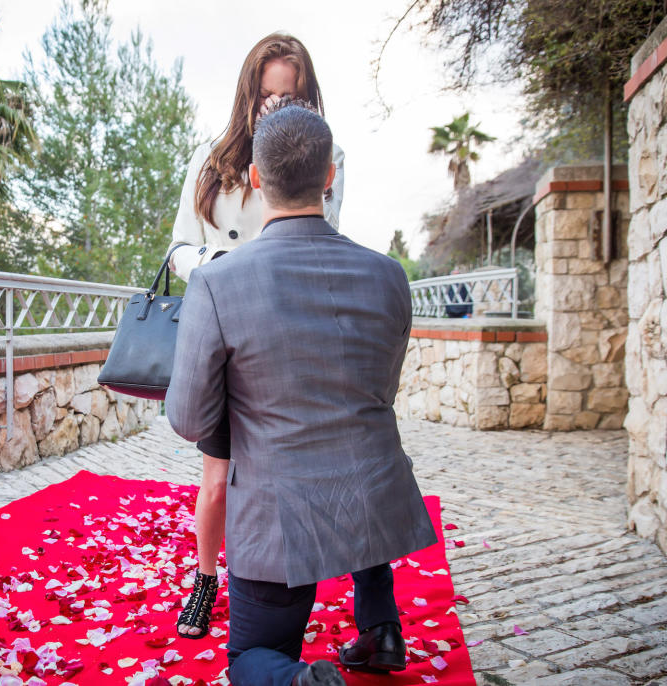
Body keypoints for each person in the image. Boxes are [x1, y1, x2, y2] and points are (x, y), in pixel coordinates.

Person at [166, 104, 437, 686]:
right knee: (361, 493)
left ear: (258, 179)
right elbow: (378, 391)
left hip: (277, 513)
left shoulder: (217, 281)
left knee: (251, 661)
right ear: (329, 177)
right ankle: (382, 630)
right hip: (371, 494)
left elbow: (189, 418)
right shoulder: (390, 275)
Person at [167, 32, 345, 640]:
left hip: (286, 334)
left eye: (289, 98)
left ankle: (282, 579)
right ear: (248, 96)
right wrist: (221, 269)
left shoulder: (326, 158)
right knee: (216, 479)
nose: (276, 109)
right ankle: (206, 577)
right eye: (267, 99)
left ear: (306, 98)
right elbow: (178, 248)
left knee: (283, 470)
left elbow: (323, 232)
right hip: (223, 325)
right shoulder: (210, 159)